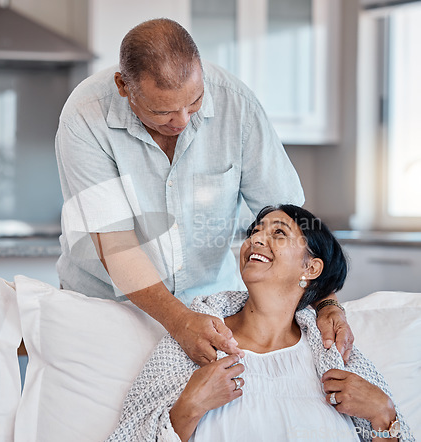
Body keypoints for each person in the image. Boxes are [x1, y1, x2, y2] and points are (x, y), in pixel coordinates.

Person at [55, 18, 353, 366]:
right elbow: (116, 245)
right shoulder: (85, 117)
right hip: (106, 307)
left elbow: (293, 223)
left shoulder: (236, 104)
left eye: (194, 102)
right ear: (124, 86)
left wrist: (327, 301)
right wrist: (179, 321)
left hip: (213, 309)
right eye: (162, 111)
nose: (181, 120)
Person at [106, 205, 414, 442]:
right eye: (254, 231)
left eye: (278, 233)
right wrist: (188, 408)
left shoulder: (335, 354)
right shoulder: (192, 345)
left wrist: (383, 414)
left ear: (310, 267)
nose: (256, 239)